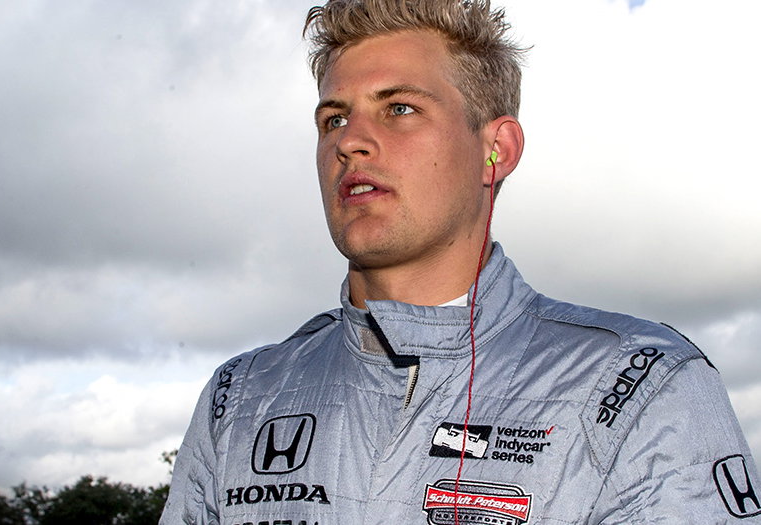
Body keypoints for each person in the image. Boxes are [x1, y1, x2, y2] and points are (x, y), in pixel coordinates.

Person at [160, 1, 761, 523]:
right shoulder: (240, 398)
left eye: (399, 108)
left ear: (496, 150)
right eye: (334, 119)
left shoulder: (642, 388)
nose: (349, 141)